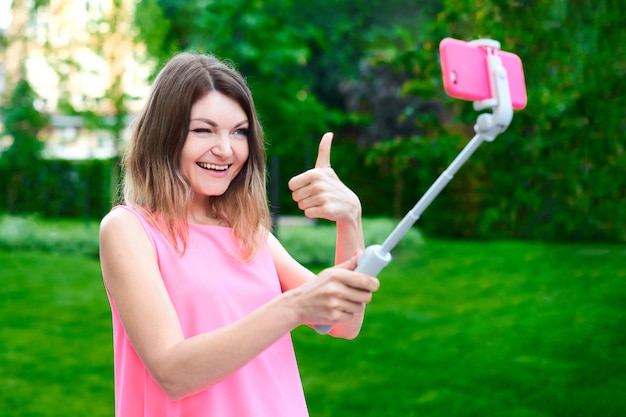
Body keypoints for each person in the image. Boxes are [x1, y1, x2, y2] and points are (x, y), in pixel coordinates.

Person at [99, 51, 380, 417]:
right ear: (164, 135)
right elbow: (173, 372)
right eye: (203, 129)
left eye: (239, 132)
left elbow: (343, 322)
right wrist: (293, 306)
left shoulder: (251, 235)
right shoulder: (129, 230)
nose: (226, 149)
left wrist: (349, 218)